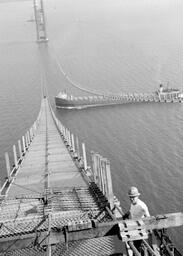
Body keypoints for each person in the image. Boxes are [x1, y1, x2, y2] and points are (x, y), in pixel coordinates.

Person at [123, 186, 150, 253]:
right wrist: (126, 214)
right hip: (133, 226)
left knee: (136, 246)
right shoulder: (133, 203)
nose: (131, 199)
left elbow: (148, 218)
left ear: (137, 196)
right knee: (133, 244)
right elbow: (131, 210)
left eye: (133, 197)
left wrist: (147, 229)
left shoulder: (142, 206)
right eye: (130, 197)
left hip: (139, 228)